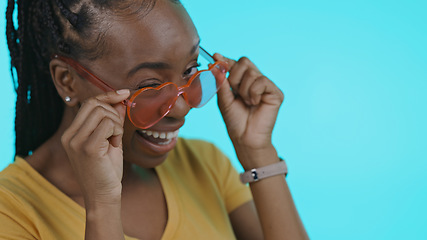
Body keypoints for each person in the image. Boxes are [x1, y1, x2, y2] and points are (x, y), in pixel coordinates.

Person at [1, 0, 308, 239]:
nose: (181, 110)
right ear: (67, 81)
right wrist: (104, 205)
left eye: (190, 70)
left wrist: (257, 152)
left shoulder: (204, 164)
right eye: (148, 87)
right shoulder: (11, 211)